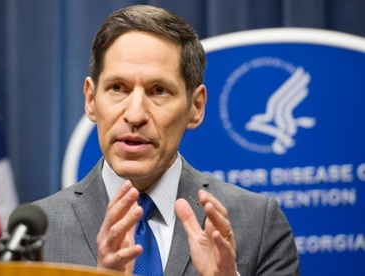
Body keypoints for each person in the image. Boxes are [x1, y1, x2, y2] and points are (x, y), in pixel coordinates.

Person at [35, 5, 300, 276]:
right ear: (91, 100)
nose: (135, 115)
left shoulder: (259, 223)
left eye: (158, 91)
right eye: (117, 88)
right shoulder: (36, 233)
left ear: (196, 106)